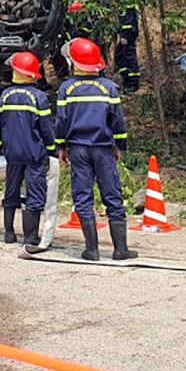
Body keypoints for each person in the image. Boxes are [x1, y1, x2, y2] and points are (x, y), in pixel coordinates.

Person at [55, 37, 136, 262]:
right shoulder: (108, 87)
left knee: (83, 196)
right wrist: (120, 145)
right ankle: (121, 250)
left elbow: (61, 122)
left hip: (78, 150)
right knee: (113, 196)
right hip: (104, 150)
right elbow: (117, 121)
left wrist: (61, 146)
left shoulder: (66, 89)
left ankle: (92, 250)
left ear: (73, 62)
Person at [0, 51, 55, 246]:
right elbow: (46, 127)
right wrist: (52, 149)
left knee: (11, 190)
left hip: (11, 153)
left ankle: (9, 233)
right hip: (34, 153)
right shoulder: (38, 97)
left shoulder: (5, 95)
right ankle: (30, 236)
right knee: (35, 193)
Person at [107, 0, 142, 93]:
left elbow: (128, 21)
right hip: (124, 34)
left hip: (128, 35)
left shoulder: (126, 2)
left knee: (130, 57)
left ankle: (133, 83)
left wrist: (125, 36)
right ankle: (126, 79)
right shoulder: (121, 2)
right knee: (119, 56)